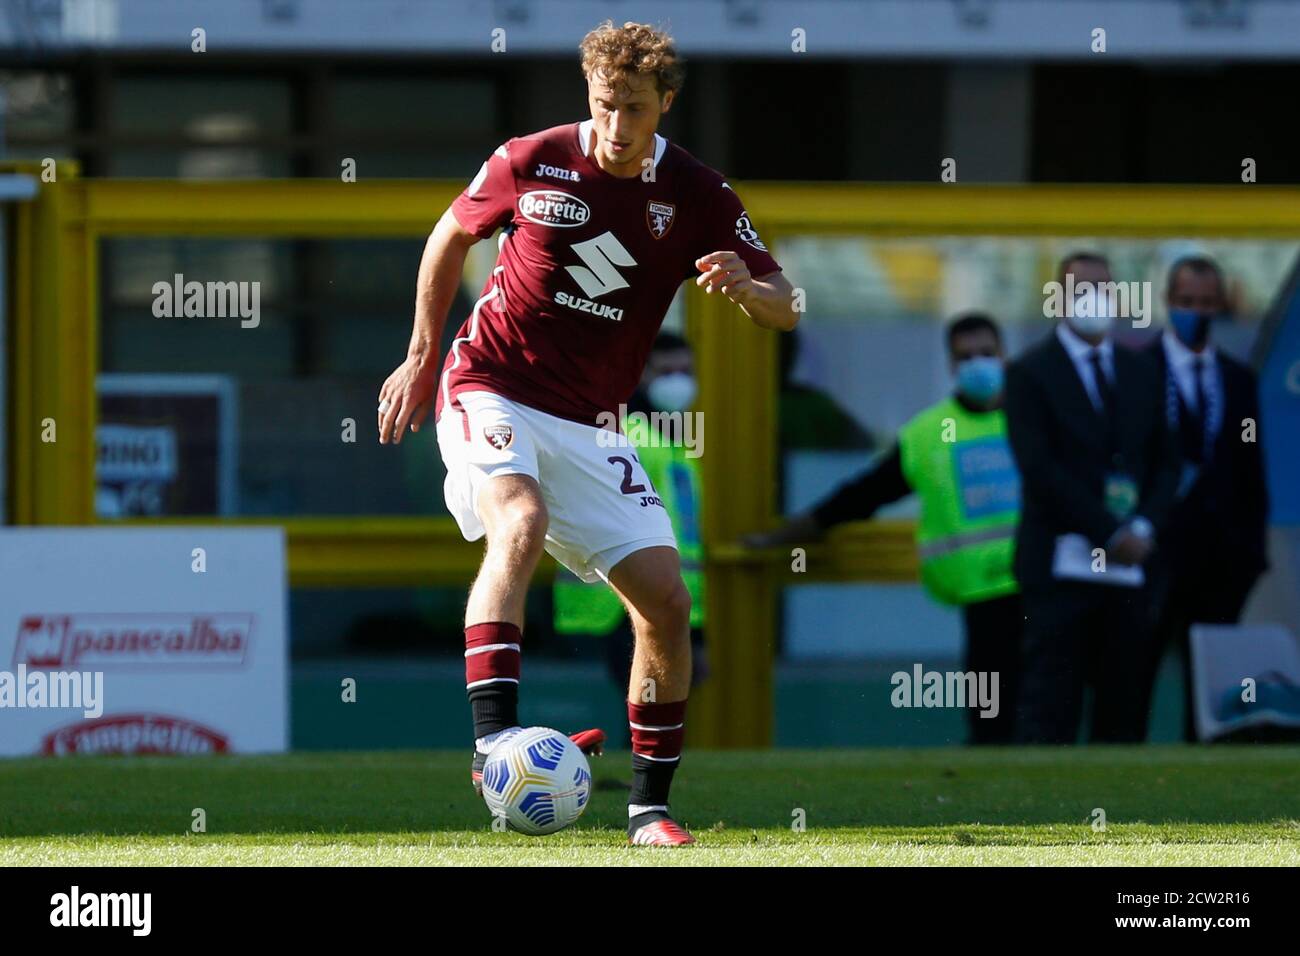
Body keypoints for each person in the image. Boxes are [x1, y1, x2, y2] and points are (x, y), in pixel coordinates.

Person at [376, 21, 797, 846]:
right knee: (520, 519)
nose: (614, 126)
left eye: (633, 109)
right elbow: (449, 234)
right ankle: (495, 739)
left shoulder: (701, 194)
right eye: (604, 104)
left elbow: (786, 305)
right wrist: (423, 354)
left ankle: (648, 810)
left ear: (665, 104)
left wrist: (749, 287)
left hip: (593, 422)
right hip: (490, 383)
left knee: (666, 606)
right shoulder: (528, 158)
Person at [744, 313, 1022, 744]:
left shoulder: (1037, 417)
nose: (978, 364)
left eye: (987, 354)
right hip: (984, 596)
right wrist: (792, 531)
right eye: (966, 357)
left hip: (1049, 588)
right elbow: (863, 494)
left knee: (1051, 708)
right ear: (950, 364)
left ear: (1005, 355)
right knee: (993, 718)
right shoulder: (928, 435)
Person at [1005, 252, 1179, 744]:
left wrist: (1142, 527)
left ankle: (1117, 819)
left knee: (1123, 706)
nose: (1095, 300)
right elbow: (1040, 471)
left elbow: (1167, 461)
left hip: (1130, 569)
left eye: (1103, 288)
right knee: (1051, 704)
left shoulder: (1142, 370)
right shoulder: (1030, 373)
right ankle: (1041, 820)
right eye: (1082, 290)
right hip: (1060, 566)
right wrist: (1110, 531)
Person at [1141, 255, 1269, 741]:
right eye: (1186, 301)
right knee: (1138, 667)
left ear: (1220, 305)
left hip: (1222, 557)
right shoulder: (1139, 372)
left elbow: (1250, 468)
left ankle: (1207, 758)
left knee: (1212, 676)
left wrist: (1252, 552)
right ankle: (1122, 767)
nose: (1196, 311)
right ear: (1169, 302)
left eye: (1206, 302)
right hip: (1154, 552)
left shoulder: (1237, 379)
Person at [554, 332, 710, 733]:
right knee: (640, 701)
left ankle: (636, 778)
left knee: (653, 701)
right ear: (642, 374)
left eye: (686, 371)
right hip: (615, 600)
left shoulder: (672, 438)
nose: (679, 381)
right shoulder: (625, 434)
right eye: (667, 371)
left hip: (660, 595)